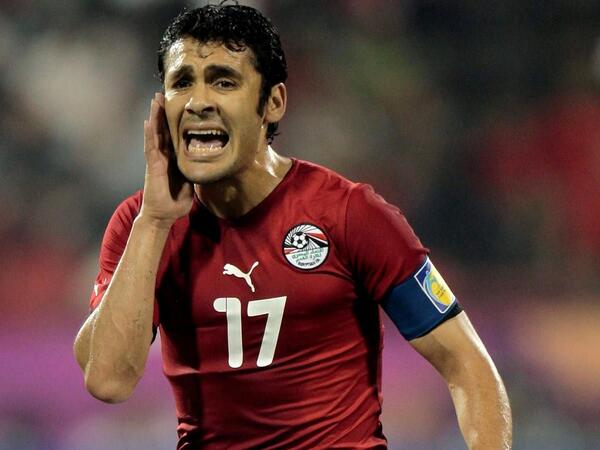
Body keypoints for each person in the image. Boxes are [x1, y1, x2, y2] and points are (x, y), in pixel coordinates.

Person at [73, 3, 512, 449]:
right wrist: (154, 221)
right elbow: (108, 381)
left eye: (224, 81)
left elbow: (466, 363)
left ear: (273, 103)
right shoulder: (141, 225)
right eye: (182, 82)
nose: (199, 102)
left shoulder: (349, 214)